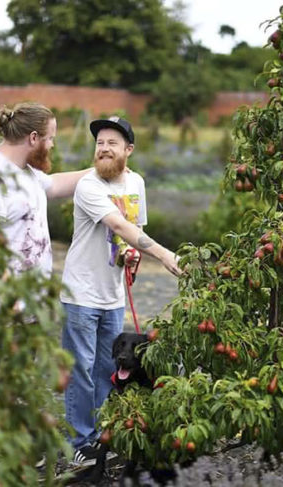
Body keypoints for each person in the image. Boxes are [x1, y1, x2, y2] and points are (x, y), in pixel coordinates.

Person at [59, 116, 182, 466]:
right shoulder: (88, 185)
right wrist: (162, 253)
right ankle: (79, 443)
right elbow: (116, 224)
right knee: (79, 369)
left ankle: (101, 436)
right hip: (80, 292)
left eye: (113, 143)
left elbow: (133, 228)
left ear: (128, 149)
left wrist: (131, 256)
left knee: (108, 370)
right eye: (100, 143)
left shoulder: (136, 183)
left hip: (111, 294)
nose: (104, 148)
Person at [0, 102, 90, 408]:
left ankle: (1, 442)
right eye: (51, 138)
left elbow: (57, 185)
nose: (53, 144)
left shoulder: (27, 173)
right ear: (33, 138)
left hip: (28, 300)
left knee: (15, 375)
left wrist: (101, 168)